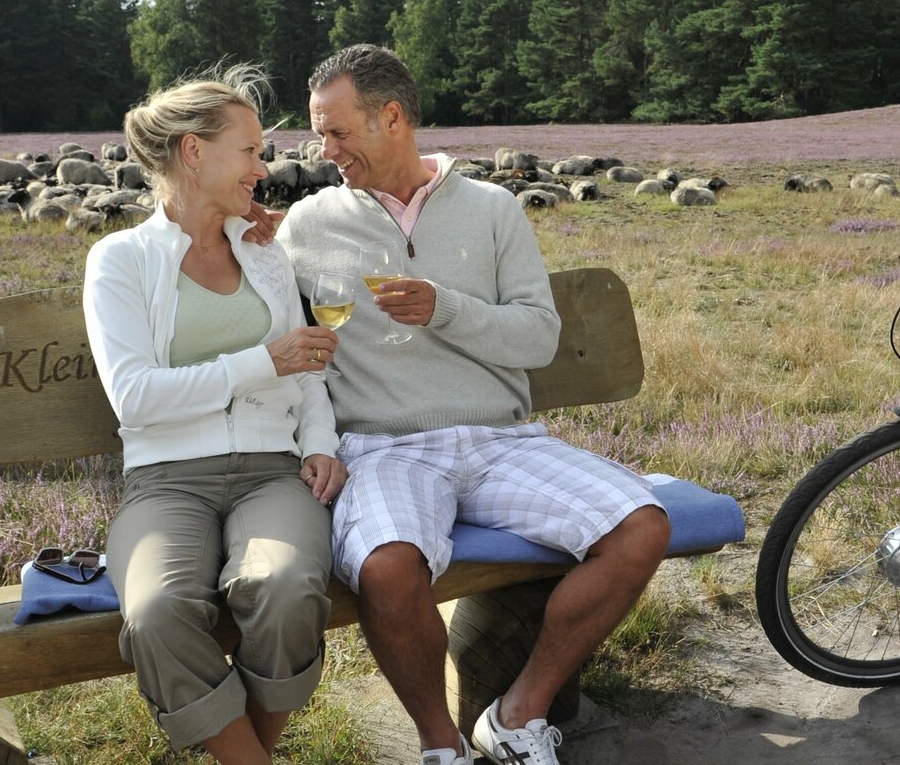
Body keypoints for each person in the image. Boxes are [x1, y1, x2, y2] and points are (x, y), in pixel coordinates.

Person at [278, 45, 671, 765]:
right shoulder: (306, 223)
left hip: (501, 440)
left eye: (336, 132)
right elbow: (274, 322)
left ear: (391, 117)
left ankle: (518, 715)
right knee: (388, 568)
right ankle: (442, 746)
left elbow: (538, 335)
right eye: (318, 132)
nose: (322, 150)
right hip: (383, 445)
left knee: (641, 527)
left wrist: (446, 309)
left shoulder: (492, 210)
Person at [82, 66, 347, 765]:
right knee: (155, 613)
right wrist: (265, 360)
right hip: (166, 480)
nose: (264, 167)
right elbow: (134, 396)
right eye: (251, 150)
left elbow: (310, 370)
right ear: (193, 154)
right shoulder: (120, 261)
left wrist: (319, 442)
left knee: (285, 586)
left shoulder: (265, 253)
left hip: (272, 474)